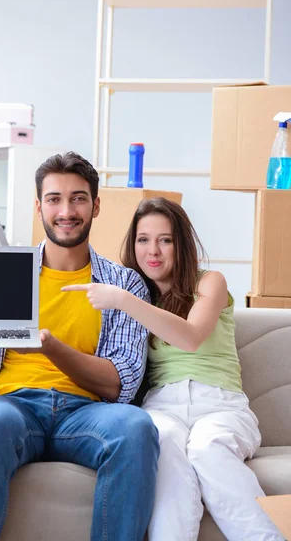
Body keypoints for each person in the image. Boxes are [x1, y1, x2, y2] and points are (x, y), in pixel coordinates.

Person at [0, 152, 160, 541]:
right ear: (38, 207)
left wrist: (49, 347)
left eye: (78, 198)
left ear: (96, 205)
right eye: (54, 199)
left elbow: (120, 384)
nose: (66, 210)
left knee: (136, 427)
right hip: (11, 406)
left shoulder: (124, 286)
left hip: (87, 413)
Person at [63, 197, 284, 541]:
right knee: (162, 444)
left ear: (181, 244)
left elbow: (192, 337)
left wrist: (123, 300)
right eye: (143, 239)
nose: (153, 250)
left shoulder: (208, 282)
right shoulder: (136, 295)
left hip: (221, 405)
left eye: (165, 240)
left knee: (206, 448)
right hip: (163, 406)